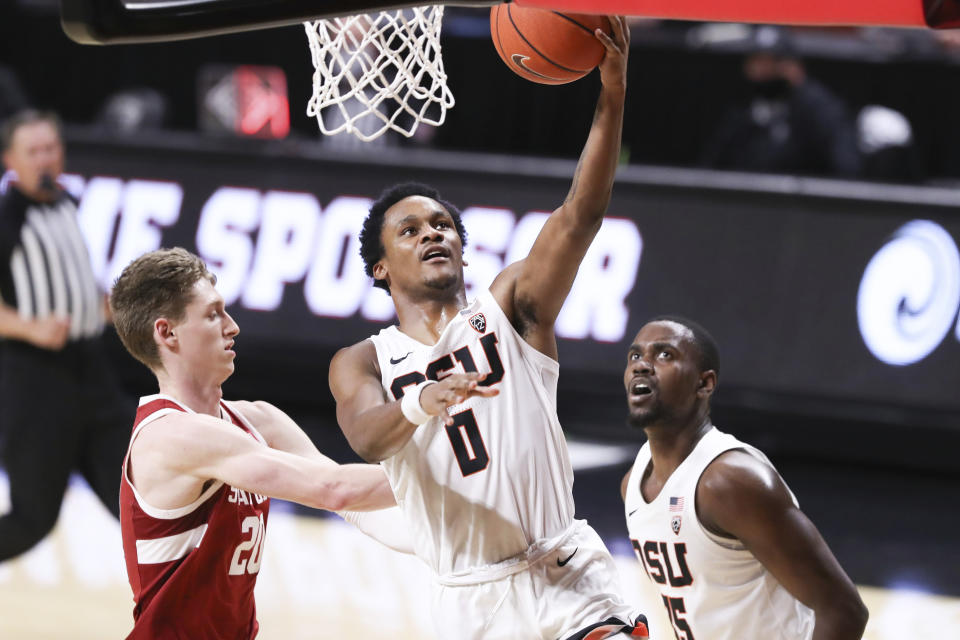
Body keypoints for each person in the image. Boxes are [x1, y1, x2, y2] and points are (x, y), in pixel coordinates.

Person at [329, 16, 649, 640]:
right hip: (471, 604)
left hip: (567, 582)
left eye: (443, 224)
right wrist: (423, 400)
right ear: (380, 267)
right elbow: (368, 439)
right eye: (411, 230)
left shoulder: (511, 308)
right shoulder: (363, 361)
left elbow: (579, 216)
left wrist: (612, 95)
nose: (433, 234)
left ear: (465, 251)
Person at [109, 247, 403, 639]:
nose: (233, 326)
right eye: (213, 314)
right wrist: (458, 468)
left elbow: (355, 504)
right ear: (167, 333)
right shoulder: (171, 436)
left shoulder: (258, 420)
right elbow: (335, 491)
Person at [620, 316, 869, 640]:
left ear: (704, 384)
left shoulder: (730, 481)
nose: (642, 366)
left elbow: (844, 611)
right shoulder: (633, 485)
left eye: (665, 355)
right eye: (635, 356)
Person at [0, 109, 131, 561]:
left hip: (93, 375)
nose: (45, 159)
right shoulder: (5, 218)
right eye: (33, 151)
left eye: (51, 148)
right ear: (9, 160)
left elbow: (76, 278)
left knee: (137, 502)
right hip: (35, 382)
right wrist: (29, 327)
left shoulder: (67, 202)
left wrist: (106, 307)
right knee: (33, 520)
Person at [699, 27, 862, 178]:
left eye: (773, 63)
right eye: (756, 61)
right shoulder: (743, 107)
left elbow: (845, 166)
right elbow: (713, 164)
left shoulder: (819, 109)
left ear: (794, 66)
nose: (761, 71)